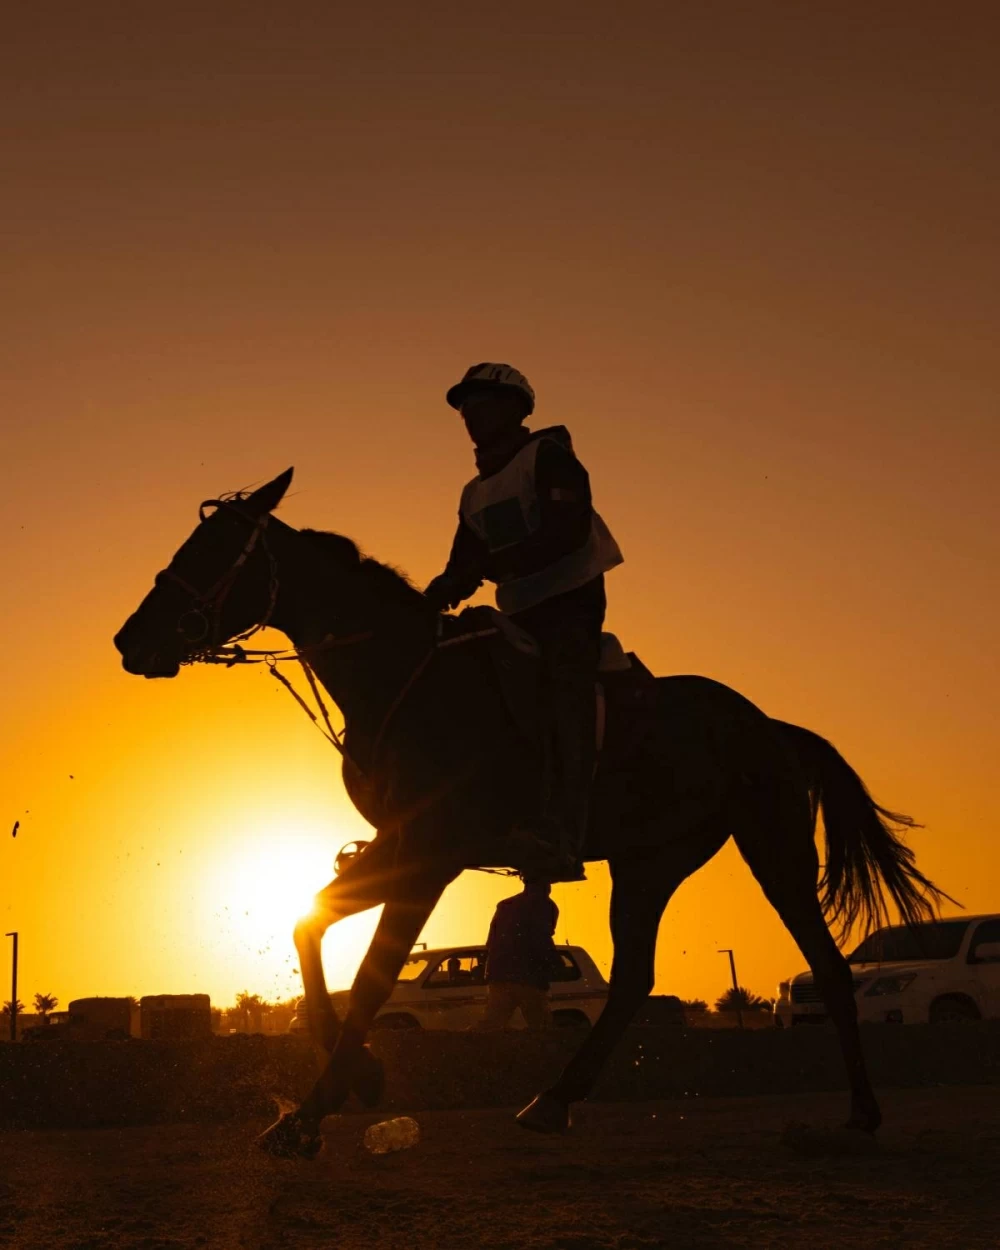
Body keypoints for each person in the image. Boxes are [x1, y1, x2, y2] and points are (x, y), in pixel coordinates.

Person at [424, 363, 623, 881]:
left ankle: (565, 832)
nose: (471, 416)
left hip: (569, 605)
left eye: (482, 404)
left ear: (516, 410)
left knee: (565, 695)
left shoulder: (549, 458)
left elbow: (567, 534)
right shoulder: (472, 492)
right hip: (519, 611)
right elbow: (462, 567)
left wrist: (497, 566)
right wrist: (431, 597)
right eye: (466, 409)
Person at [478, 877, 559, 1030]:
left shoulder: (505, 905)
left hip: (500, 976)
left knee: (491, 1025)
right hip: (528, 978)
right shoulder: (545, 906)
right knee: (542, 1026)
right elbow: (542, 939)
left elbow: (491, 942)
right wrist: (555, 963)